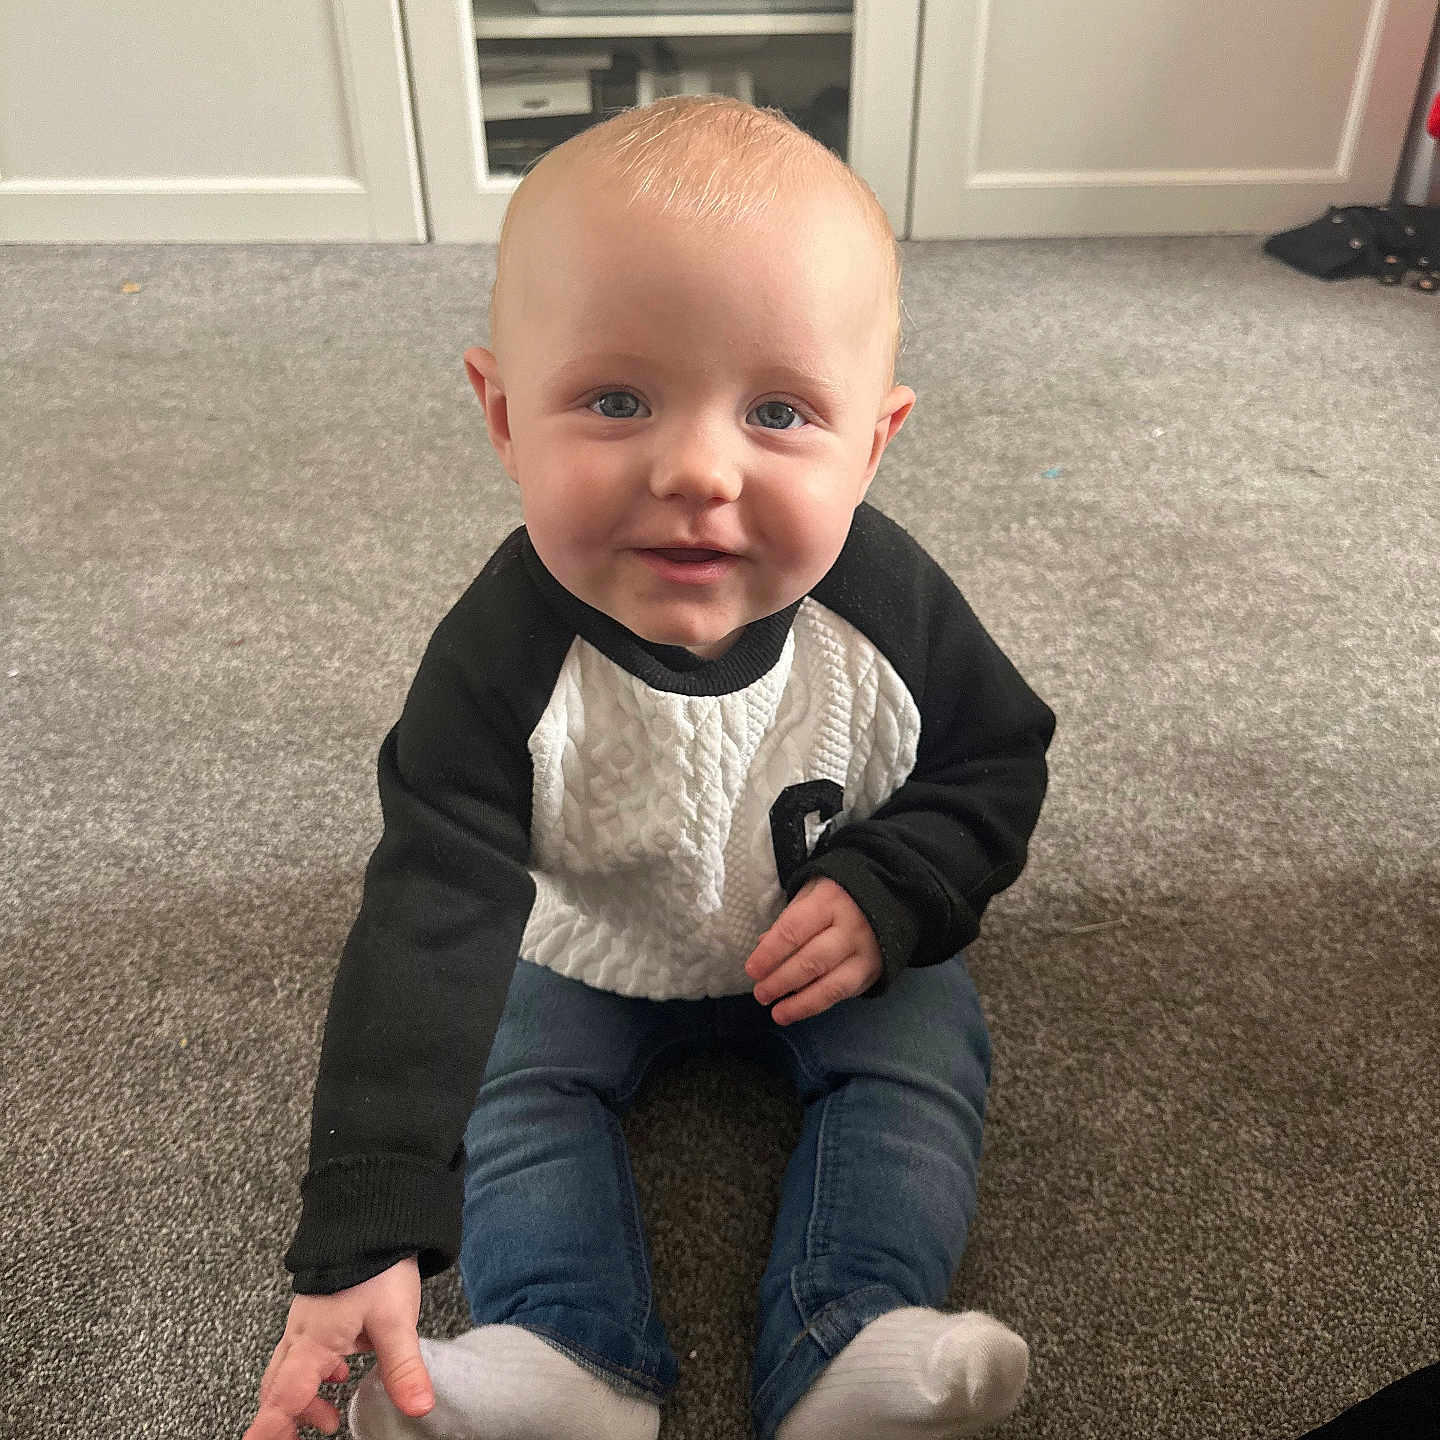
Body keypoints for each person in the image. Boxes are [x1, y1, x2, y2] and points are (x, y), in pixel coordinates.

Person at [244, 94, 1056, 1440]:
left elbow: (994, 761)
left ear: (875, 440)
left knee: (922, 1061)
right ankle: (569, 1363)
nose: (695, 468)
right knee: (507, 1085)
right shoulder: (495, 665)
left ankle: (849, 1338)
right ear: (503, 417)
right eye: (616, 399)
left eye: (782, 410)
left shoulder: (892, 612)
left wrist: (895, 888)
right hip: (585, 948)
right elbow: (428, 917)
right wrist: (363, 1229)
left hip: (832, 944)